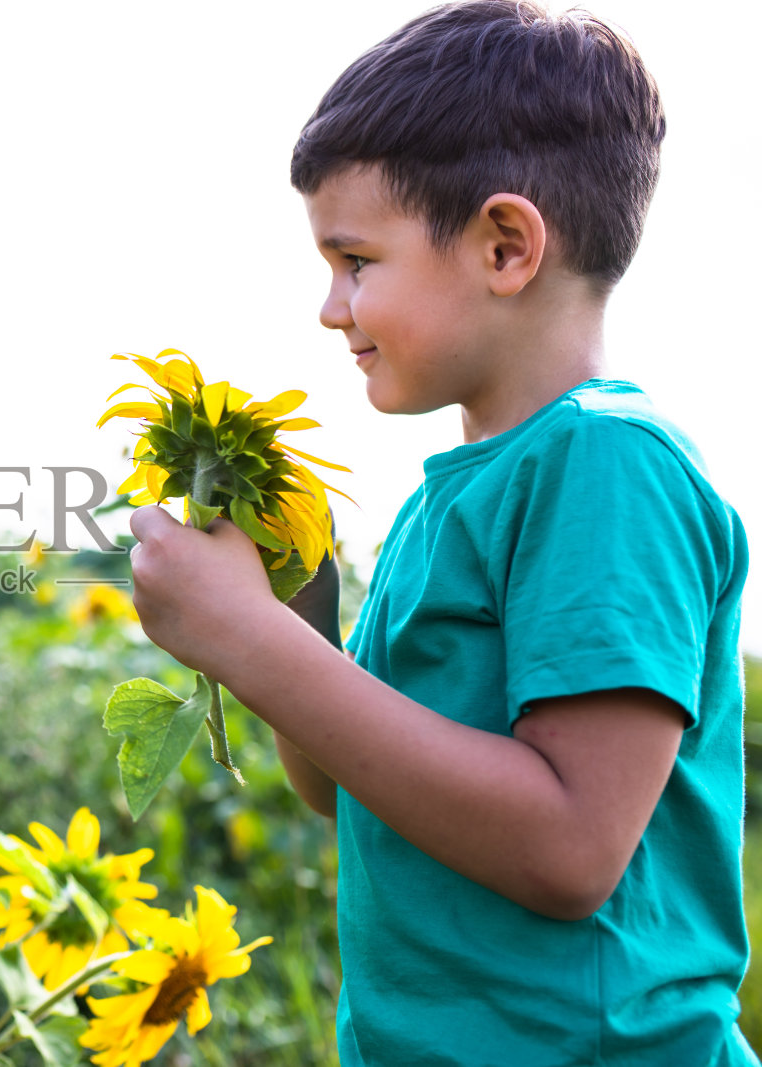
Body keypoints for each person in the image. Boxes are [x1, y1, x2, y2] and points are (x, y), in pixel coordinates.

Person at [126, 3, 754, 1064]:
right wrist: (296, 594)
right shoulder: (439, 502)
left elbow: (569, 846)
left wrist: (249, 641)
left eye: (355, 258)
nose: (331, 306)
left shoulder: (607, 467)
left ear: (504, 245)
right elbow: (336, 782)